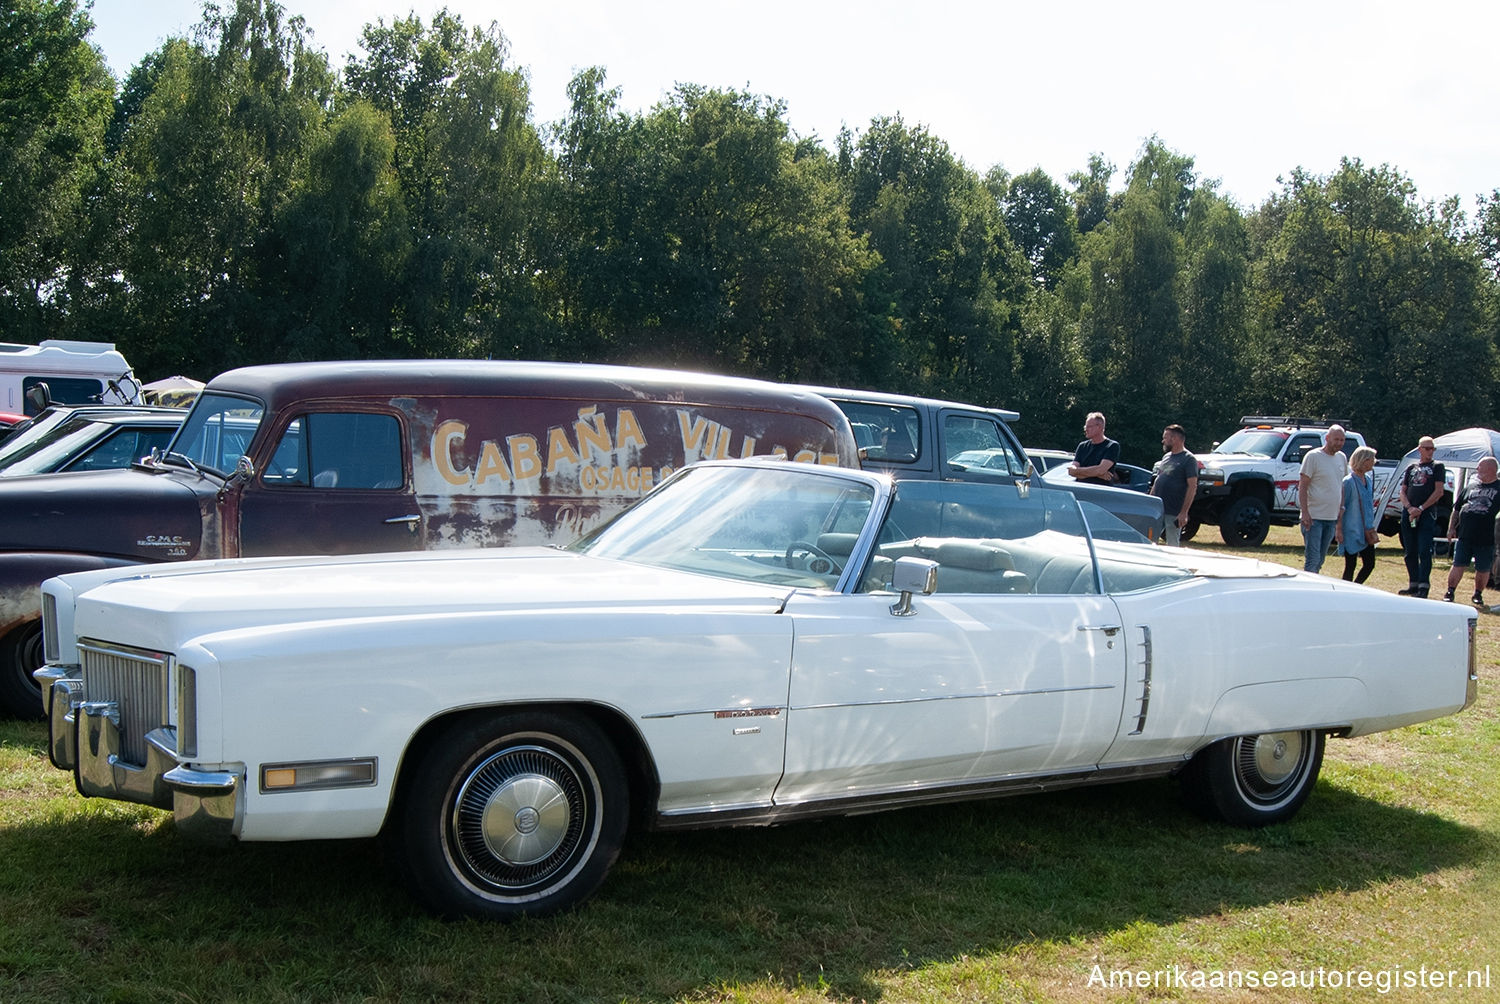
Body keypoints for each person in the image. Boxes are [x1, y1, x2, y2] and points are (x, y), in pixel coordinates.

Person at [1443, 456, 1500, 603]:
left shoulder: (1498, 488)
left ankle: (1477, 594)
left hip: (1486, 537)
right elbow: (1456, 510)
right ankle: (1450, 591)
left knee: (1483, 568)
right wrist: (1451, 528)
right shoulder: (1470, 488)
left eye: (1480, 467)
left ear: (1490, 469)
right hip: (1465, 535)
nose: (1477, 470)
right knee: (1458, 564)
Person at [1396, 436, 1446, 597]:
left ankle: (1424, 585)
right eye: (1427, 448)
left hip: (1426, 513)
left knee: (1424, 549)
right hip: (1409, 512)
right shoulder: (1411, 468)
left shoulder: (1437, 467)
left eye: (1432, 449)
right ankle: (1413, 583)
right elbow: (1403, 491)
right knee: (1410, 550)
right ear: (1420, 449)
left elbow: (1439, 491)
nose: (1430, 452)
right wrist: (1410, 508)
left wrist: (1421, 508)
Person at [1298, 425, 1347, 573]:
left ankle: (1313, 586)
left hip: (1331, 517)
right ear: (1327, 438)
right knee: (1313, 559)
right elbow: (1303, 486)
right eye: (1336, 439)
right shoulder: (1313, 457)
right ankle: (1308, 590)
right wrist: (1305, 512)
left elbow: (1341, 485)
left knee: (1320, 559)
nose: (1339, 443)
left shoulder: (1342, 458)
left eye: (1342, 440)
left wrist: (1341, 508)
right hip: (1314, 518)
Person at [1335, 446, 1379, 583]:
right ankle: (1345, 591)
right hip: (1351, 529)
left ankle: (1357, 586)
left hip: (1366, 529)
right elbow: (1341, 506)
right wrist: (1339, 529)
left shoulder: (1368, 480)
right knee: (1350, 565)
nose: (1374, 462)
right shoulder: (1348, 482)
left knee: (1369, 564)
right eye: (1372, 459)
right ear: (1364, 460)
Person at [1150, 424, 1197, 546]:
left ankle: (1172, 564)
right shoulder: (1166, 457)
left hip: (1174, 510)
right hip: (1158, 508)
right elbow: (1158, 480)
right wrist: (1150, 501)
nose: (1163, 441)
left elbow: (1192, 486)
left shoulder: (1189, 459)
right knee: (1149, 539)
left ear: (1174, 439)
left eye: (1165, 438)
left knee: (1172, 543)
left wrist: (1184, 512)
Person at [1068, 412, 1120, 485]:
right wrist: (1099, 474)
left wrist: (1079, 471)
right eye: (1085, 426)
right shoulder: (1082, 446)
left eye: (1089, 426)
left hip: (1100, 492)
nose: (1086, 429)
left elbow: (1100, 470)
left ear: (1099, 427)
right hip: (1080, 489)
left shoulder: (1112, 446)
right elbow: (1071, 471)